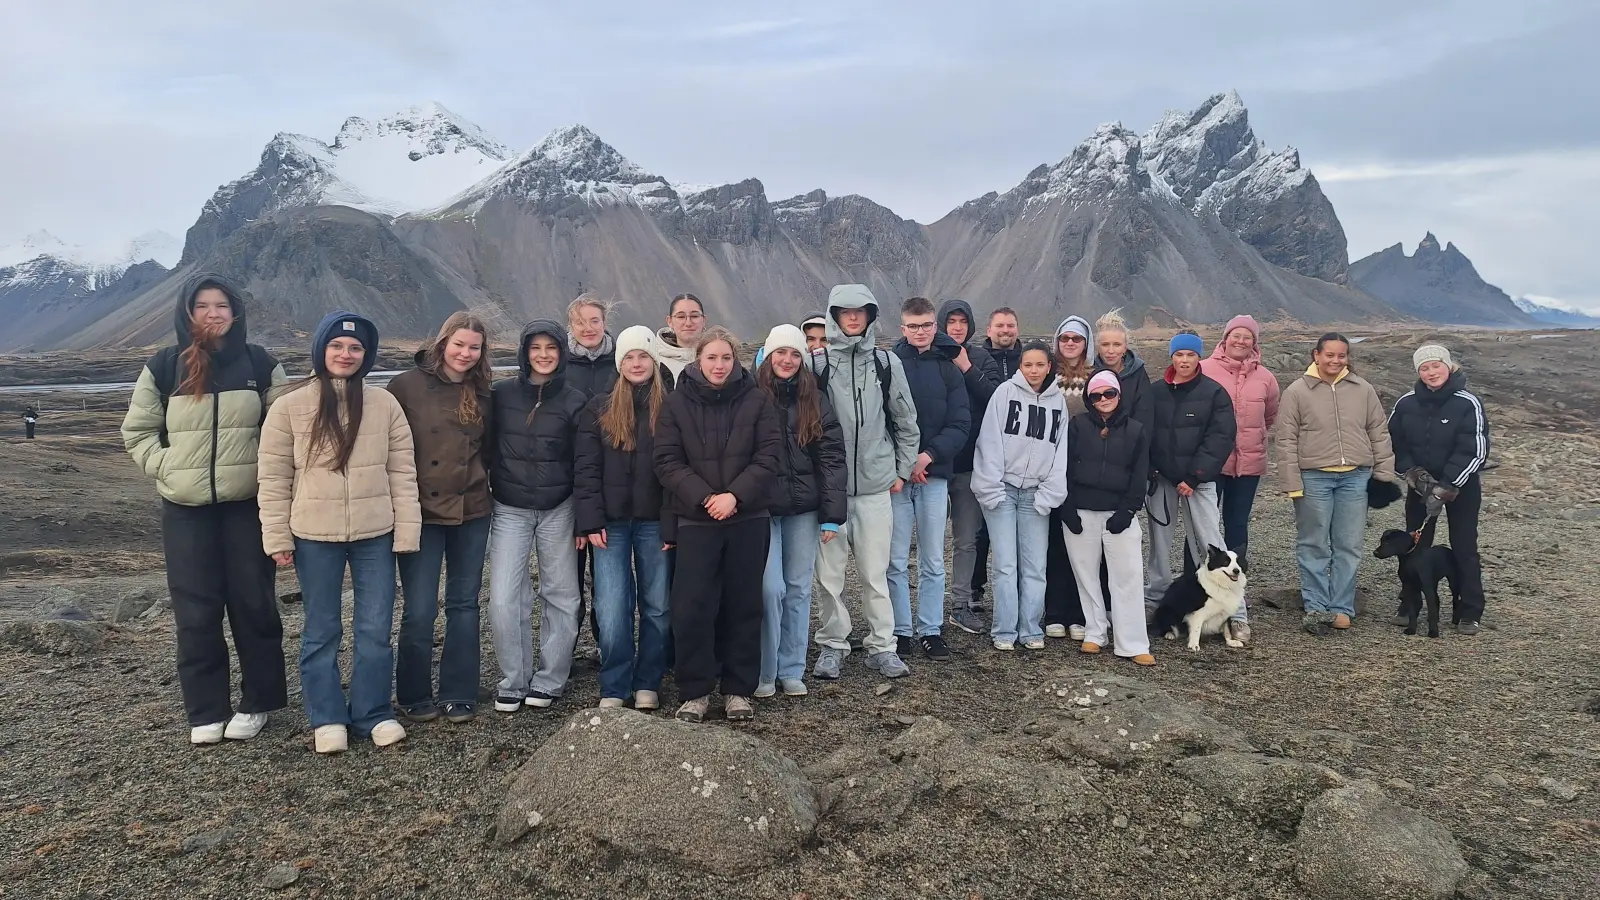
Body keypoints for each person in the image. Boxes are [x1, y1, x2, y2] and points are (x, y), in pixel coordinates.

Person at [121, 274, 289, 746]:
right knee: (195, 612)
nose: (213, 313)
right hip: (185, 509)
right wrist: (168, 469)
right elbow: (137, 432)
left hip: (247, 506)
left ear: (236, 313)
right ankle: (206, 709)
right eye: (203, 305)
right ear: (187, 311)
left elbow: (284, 430)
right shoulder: (163, 366)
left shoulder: (261, 363)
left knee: (254, 605)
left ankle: (258, 703)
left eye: (222, 305)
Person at [257, 311, 421, 754]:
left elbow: (402, 472)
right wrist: (277, 537)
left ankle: (373, 713)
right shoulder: (288, 406)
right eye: (337, 346)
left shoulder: (385, 404)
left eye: (355, 348)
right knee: (321, 628)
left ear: (365, 357)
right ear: (321, 350)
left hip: (375, 535)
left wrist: (406, 531)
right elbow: (273, 478)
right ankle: (327, 716)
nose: (346, 354)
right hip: (313, 535)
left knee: (374, 627)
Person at [654, 327, 783, 722]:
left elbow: (769, 456)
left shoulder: (758, 401)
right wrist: (707, 498)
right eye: (711, 357)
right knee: (692, 606)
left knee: (743, 604)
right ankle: (695, 692)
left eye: (725, 358)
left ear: (735, 359)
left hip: (748, 518)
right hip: (697, 520)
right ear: (698, 359)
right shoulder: (677, 404)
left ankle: (737, 690)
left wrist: (735, 496)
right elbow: (667, 460)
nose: (719, 365)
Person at [386, 312, 494, 725]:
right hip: (420, 513)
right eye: (460, 344)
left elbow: (490, 449)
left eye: (474, 347)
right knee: (419, 607)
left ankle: (459, 692)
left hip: (472, 511)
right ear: (442, 341)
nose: (465, 354)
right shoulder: (404, 386)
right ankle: (413, 693)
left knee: (464, 603)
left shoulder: (484, 392)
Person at [812, 284, 921, 682]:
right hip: (831, 490)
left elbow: (906, 420)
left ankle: (883, 646)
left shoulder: (886, 363)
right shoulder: (818, 364)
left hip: (877, 487)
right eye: (845, 311)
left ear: (871, 315)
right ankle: (833, 646)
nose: (853, 317)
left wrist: (900, 470)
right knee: (830, 576)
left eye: (861, 311)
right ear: (834, 316)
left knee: (877, 573)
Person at [486, 320, 589, 712]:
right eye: (536, 347)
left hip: (559, 507)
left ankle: (550, 679)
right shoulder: (501, 394)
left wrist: (583, 514)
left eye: (551, 347)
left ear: (562, 352)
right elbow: (485, 446)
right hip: (509, 506)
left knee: (562, 595)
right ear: (524, 351)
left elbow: (583, 462)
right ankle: (513, 679)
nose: (543, 355)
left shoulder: (575, 400)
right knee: (503, 599)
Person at [574, 326, 674, 710]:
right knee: (612, 607)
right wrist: (590, 519)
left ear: (654, 360)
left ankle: (648, 679)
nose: (636, 363)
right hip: (610, 525)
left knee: (657, 604)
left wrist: (673, 522)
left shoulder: (670, 408)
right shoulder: (598, 407)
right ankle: (614, 684)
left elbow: (677, 470)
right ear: (620, 363)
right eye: (629, 357)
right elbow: (585, 468)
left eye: (643, 356)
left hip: (655, 523)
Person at [1276, 333, 1397, 635]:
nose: (1335, 360)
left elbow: (1379, 432)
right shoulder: (1297, 392)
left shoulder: (1363, 389)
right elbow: (1286, 439)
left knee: (1349, 544)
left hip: (1356, 477)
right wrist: (1292, 482)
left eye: (1341, 355)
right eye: (1329, 354)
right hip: (1313, 477)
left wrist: (1383, 474)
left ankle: (1341, 607)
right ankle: (1316, 606)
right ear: (1316, 355)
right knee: (1314, 543)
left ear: (1347, 357)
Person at [754, 324, 847, 699]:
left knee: (797, 589)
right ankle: (764, 670)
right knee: (768, 588)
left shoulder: (816, 398)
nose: (788, 360)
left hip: (804, 510)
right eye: (781, 353)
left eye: (795, 354)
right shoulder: (751, 396)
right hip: (761, 508)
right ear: (768, 356)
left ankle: (791, 668)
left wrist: (831, 513)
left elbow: (831, 457)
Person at [971, 342, 1071, 651]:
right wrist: (990, 487)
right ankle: (1004, 629)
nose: (1033, 371)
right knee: (1005, 564)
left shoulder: (1058, 403)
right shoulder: (1004, 394)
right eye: (1028, 365)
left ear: (1049, 366)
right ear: (1020, 366)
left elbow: (1060, 451)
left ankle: (1030, 629)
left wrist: (1049, 494)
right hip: (1004, 489)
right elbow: (989, 440)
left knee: (1034, 566)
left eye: (1040, 365)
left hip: (1036, 495)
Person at [888, 297, 970, 661]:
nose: (920, 332)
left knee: (933, 558)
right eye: (913, 326)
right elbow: (882, 422)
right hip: (898, 479)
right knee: (895, 558)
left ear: (934, 327)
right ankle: (900, 630)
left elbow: (960, 423)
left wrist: (928, 455)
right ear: (902, 328)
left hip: (934, 477)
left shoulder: (949, 369)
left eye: (926, 325)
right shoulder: (888, 365)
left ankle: (930, 629)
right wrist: (905, 463)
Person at [1387, 344, 1489, 635]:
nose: (1431, 372)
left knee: (1465, 546)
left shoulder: (1467, 403)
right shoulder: (1406, 403)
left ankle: (1469, 610)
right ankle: (1410, 605)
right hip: (1420, 486)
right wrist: (1414, 475)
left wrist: (1448, 484)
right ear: (1418, 372)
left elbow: (1475, 448)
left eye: (1436, 365)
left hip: (1461, 487)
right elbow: (1393, 442)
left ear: (1448, 366)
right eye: (1424, 368)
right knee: (1415, 546)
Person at [1145, 331, 1237, 627]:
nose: (1184, 360)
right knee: (1159, 542)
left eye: (1191, 355)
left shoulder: (1214, 393)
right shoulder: (1156, 392)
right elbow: (1146, 433)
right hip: (1161, 481)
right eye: (1179, 354)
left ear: (1199, 357)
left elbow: (1220, 437)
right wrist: (1153, 469)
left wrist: (1195, 476)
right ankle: (1156, 598)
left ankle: (1230, 608)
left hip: (1198, 483)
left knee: (1210, 540)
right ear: (1171, 356)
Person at [1060, 370, 1153, 664]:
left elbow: (1140, 475)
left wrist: (1128, 510)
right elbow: (1064, 467)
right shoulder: (1077, 426)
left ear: (1119, 395)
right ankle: (1094, 632)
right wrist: (1067, 507)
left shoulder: (1136, 430)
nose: (1103, 400)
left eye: (1109, 393)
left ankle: (1133, 642)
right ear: (1089, 398)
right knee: (1086, 576)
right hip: (1081, 511)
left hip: (1118, 514)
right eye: (1096, 395)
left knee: (1127, 577)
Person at [938, 300, 1003, 636]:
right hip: (932, 465)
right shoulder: (929, 355)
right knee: (933, 541)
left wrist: (966, 367)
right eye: (951, 321)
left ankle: (961, 604)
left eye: (963, 321)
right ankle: (929, 609)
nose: (958, 327)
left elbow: (997, 399)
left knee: (966, 539)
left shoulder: (980, 358)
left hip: (968, 465)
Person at [1199, 315, 1281, 570]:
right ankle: (1197, 584)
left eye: (1247, 337)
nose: (1241, 341)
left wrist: (1250, 439)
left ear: (1254, 342)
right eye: (1236, 335)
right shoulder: (1203, 369)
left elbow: (1269, 416)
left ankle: (1235, 585)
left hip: (1248, 464)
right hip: (1211, 463)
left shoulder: (1266, 378)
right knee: (1204, 524)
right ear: (1225, 338)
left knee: (1237, 524)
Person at [1043, 315, 1096, 641]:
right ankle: (1054, 611)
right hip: (1049, 471)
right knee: (1052, 544)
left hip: (1084, 471)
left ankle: (1079, 613)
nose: (1071, 344)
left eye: (1077, 338)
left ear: (1086, 342)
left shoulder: (1097, 378)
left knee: (1083, 544)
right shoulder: (1046, 376)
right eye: (1065, 338)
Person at [971, 305, 1023, 612]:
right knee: (981, 527)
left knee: (1017, 527)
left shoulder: (1028, 360)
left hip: (1019, 455)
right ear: (989, 330)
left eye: (1010, 326)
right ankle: (976, 588)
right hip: (987, 451)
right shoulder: (978, 358)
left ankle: (1016, 587)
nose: (1005, 331)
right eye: (999, 326)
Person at [565, 293, 618, 399]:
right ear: (570, 326)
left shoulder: (620, 361)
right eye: (580, 323)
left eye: (594, 321)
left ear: (604, 323)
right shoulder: (558, 362)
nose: (588, 328)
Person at [656, 293, 707, 379]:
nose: (688, 323)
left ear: (704, 320)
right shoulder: (654, 361)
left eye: (694, 316)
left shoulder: (719, 359)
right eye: (681, 317)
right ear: (670, 321)